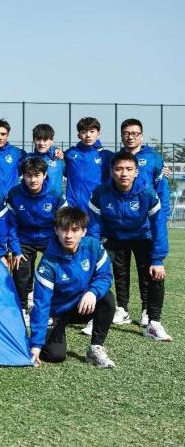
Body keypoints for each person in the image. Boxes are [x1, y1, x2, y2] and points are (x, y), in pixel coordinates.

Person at [87, 151, 171, 341]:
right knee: (94, 270)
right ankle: (96, 315)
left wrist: (158, 259)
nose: (124, 173)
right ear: (111, 171)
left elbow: (158, 226)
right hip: (113, 236)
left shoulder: (147, 192)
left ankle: (153, 322)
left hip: (142, 235)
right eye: (119, 169)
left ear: (136, 172)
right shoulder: (101, 192)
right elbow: (93, 228)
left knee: (156, 273)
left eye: (129, 169)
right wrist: (93, 255)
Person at [30, 207, 116, 368]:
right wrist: (36, 345)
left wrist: (92, 292)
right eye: (64, 229)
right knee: (55, 356)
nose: (69, 235)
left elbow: (105, 276)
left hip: (81, 306)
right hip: (57, 312)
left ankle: (95, 348)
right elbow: (41, 304)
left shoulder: (93, 247)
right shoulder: (47, 264)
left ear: (84, 232)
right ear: (56, 230)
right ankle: (48, 329)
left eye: (75, 230)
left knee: (107, 299)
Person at [115, 118, 171, 327]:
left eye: (134, 133)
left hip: (145, 226)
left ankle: (147, 309)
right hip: (120, 226)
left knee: (145, 269)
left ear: (141, 136)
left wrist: (162, 216)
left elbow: (162, 189)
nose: (130, 137)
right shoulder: (116, 159)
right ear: (121, 136)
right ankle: (122, 309)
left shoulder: (154, 158)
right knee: (120, 271)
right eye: (126, 133)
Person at [7, 157, 67, 322]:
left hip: (49, 238)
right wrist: (16, 250)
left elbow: (63, 223)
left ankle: (53, 309)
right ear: (23, 176)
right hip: (24, 239)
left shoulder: (55, 194)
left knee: (54, 272)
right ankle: (22, 309)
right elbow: (11, 225)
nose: (33, 180)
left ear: (44, 175)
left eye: (37, 175)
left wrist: (60, 247)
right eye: (28, 175)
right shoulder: (14, 194)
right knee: (21, 272)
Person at [64, 117, 113, 212]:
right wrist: (55, 151)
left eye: (92, 131)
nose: (88, 135)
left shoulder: (106, 156)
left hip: (95, 207)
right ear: (78, 135)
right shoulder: (70, 153)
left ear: (98, 134)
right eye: (84, 132)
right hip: (73, 207)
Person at [27, 123, 65, 196]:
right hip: (34, 200)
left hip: (55, 201)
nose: (41, 143)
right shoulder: (27, 159)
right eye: (38, 139)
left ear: (52, 140)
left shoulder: (59, 158)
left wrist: (55, 149)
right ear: (33, 140)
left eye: (45, 140)